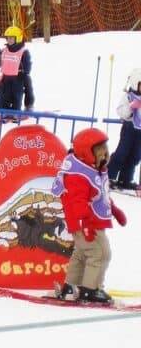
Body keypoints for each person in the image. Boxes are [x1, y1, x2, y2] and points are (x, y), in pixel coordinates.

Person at [52, 128, 128, 304]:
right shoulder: (78, 175)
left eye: (105, 151)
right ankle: (91, 289)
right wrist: (85, 225)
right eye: (100, 152)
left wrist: (114, 210)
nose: (104, 156)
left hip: (88, 221)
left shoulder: (93, 168)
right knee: (101, 253)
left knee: (82, 253)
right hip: (86, 223)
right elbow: (76, 202)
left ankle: (72, 287)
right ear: (87, 152)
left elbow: (101, 193)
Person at [106, 68, 141, 190]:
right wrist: (131, 108)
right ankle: (109, 176)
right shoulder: (128, 97)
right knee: (122, 152)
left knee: (135, 155)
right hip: (129, 127)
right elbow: (121, 111)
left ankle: (126, 179)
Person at [0, 26, 32, 120]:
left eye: (11, 38)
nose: (9, 40)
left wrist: (24, 73)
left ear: (17, 38)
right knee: (5, 95)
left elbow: (27, 64)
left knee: (17, 95)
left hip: (17, 77)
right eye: (8, 38)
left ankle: (16, 112)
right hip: (6, 76)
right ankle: (4, 112)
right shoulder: (4, 50)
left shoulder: (23, 51)